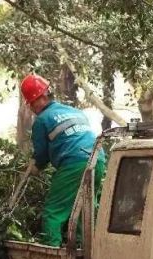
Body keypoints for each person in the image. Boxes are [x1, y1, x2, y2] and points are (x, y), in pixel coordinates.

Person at [21, 74, 107, 247]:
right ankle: (86, 253)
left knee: (53, 212)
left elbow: (41, 156)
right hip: (98, 160)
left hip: (75, 163)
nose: (31, 108)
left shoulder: (42, 120)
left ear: (43, 97)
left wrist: (35, 167)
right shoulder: (75, 111)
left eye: (32, 102)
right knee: (86, 210)